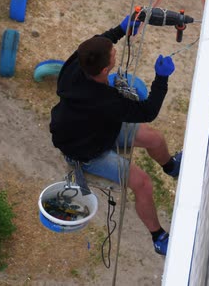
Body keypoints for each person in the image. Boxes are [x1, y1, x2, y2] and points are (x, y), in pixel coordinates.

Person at [49, 14, 183, 256]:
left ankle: (172, 167)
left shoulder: (77, 64)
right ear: (105, 69)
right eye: (113, 54)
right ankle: (158, 236)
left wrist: (121, 30)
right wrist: (161, 78)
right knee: (142, 183)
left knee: (154, 138)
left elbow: (101, 40)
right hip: (86, 150)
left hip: (94, 127)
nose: (114, 52)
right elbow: (148, 111)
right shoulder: (104, 101)